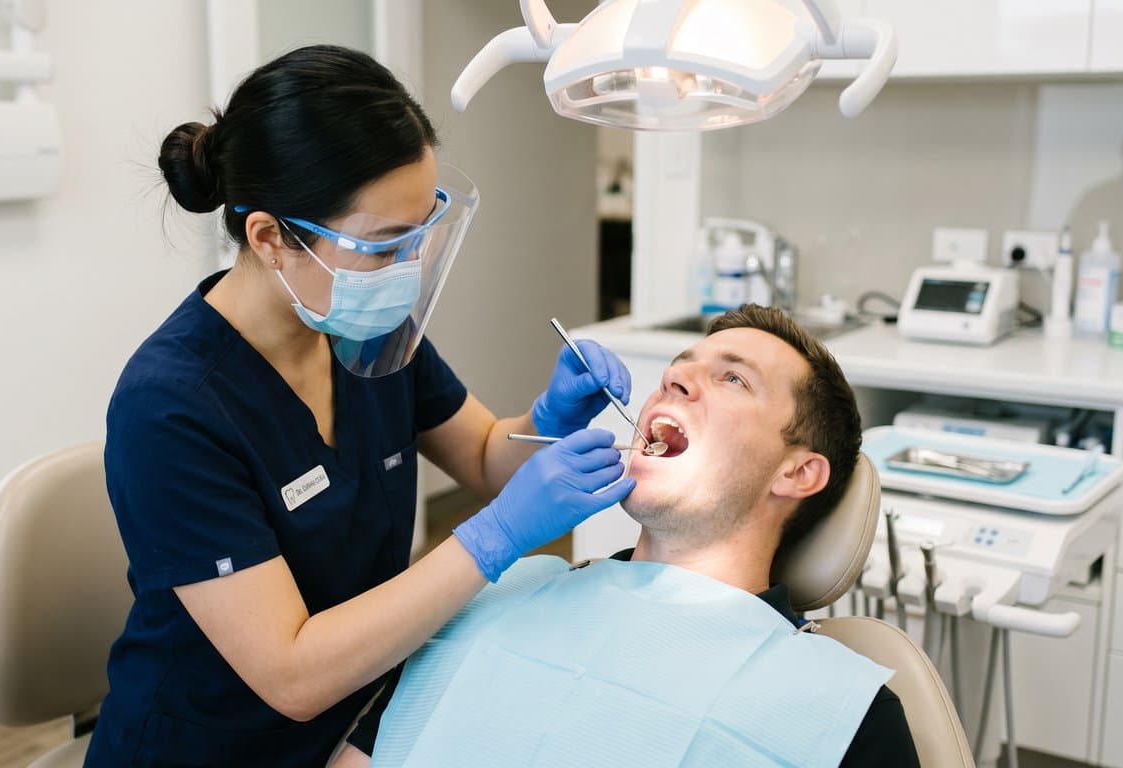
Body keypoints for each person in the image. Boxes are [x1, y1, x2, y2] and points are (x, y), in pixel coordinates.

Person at [85, 45, 637, 767]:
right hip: (217, 745)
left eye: (421, 235)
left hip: (362, 720)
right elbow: (292, 673)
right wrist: (495, 538)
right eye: (382, 249)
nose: (407, 271)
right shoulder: (171, 407)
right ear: (271, 238)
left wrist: (549, 419)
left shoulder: (366, 330)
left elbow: (480, 454)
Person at [335, 304, 919, 768]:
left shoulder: (842, 710)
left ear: (797, 472)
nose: (674, 378)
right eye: (681, 365)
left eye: (734, 379)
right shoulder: (497, 595)